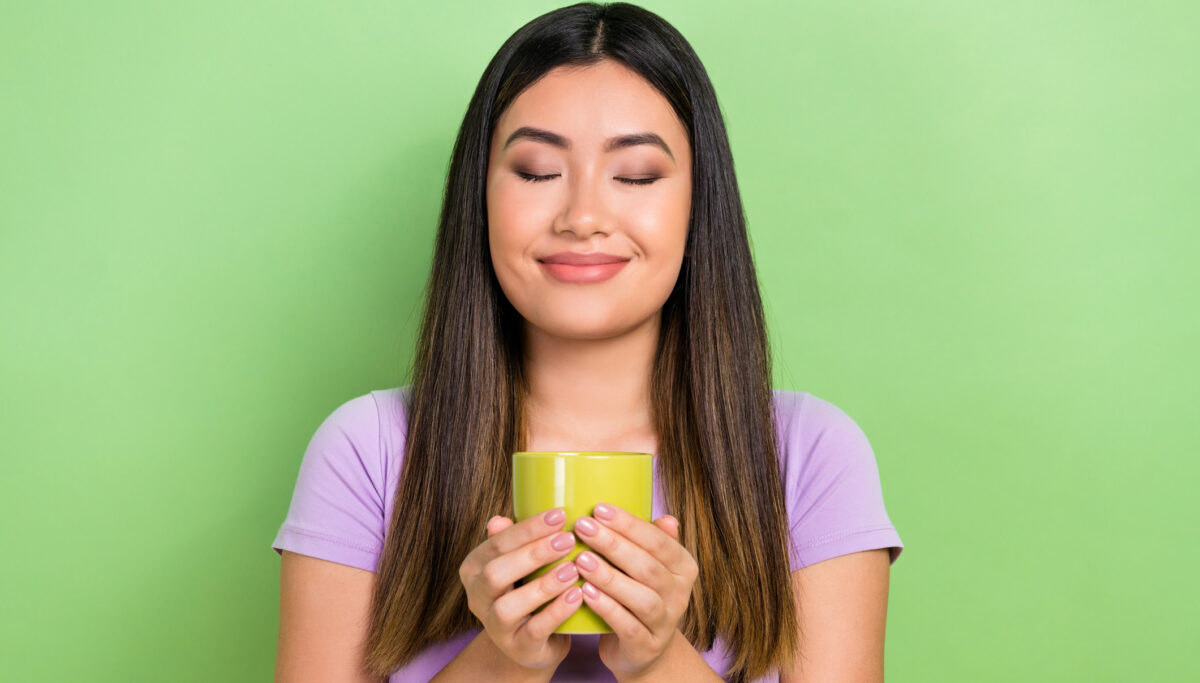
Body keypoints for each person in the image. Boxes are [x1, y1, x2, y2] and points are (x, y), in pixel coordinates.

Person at [272, 3, 904, 682]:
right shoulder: (368, 451)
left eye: (636, 176)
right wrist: (502, 659)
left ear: (699, 207)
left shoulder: (810, 455)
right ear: (478, 198)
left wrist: (658, 659)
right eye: (536, 171)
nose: (583, 217)